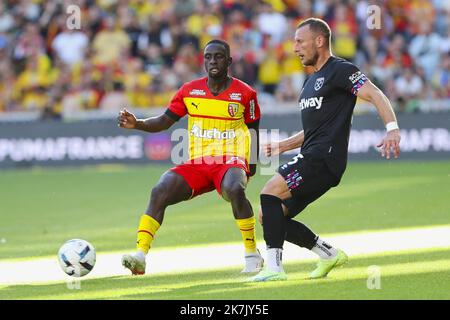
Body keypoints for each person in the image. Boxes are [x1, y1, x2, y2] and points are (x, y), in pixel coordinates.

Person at [249, 18, 401, 282]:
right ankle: (328, 253)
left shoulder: (340, 70)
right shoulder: (310, 83)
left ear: (319, 41)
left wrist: (392, 129)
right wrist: (283, 145)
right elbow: (315, 129)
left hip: (323, 158)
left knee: (269, 192)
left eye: (299, 41)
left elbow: (375, 94)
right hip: (313, 156)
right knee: (270, 216)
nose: (295, 48)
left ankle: (274, 268)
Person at [118, 39, 263, 275]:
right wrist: (138, 124)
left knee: (235, 189)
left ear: (229, 61)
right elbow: (164, 121)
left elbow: (254, 130)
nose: (212, 61)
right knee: (160, 190)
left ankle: (251, 253)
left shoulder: (245, 93)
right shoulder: (189, 90)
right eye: (208, 57)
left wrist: (252, 166)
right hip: (198, 162)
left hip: (231, 159)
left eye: (218, 56)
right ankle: (140, 255)